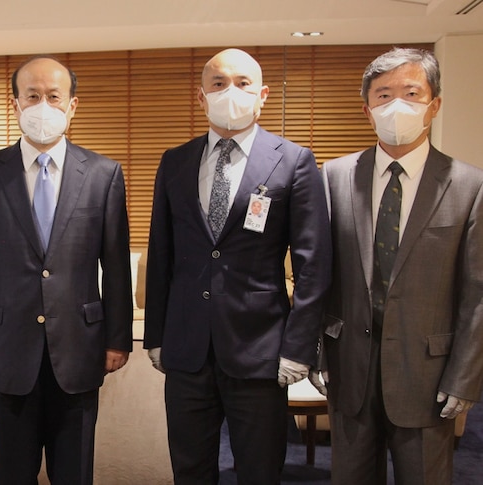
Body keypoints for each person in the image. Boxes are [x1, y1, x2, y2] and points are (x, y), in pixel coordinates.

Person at [144, 48, 332, 484]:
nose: (231, 92)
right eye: (219, 83)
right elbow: (162, 256)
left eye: (243, 83)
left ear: (262, 94)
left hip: (261, 352)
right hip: (188, 351)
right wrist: (157, 336)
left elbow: (313, 266)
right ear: (201, 95)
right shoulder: (175, 160)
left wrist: (299, 349)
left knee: (259, 470)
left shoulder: (293, 159)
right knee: (190, 469)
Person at [0, 55, 133, 484]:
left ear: (72, 105)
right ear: (15, 104)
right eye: (32, 96)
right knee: (13, 473)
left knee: (75, 473)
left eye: (54, 96)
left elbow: (117, 265)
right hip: (4, 348)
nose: (43, 105)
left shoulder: (105, 175)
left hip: (80, 348)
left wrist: (118, 337)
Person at [316, 47, 483, 485]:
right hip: (349, 366)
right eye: (383, 95)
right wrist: (318, 350)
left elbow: (477, 294)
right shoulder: (333, 177)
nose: (396, 105)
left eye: (411, 92)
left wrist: (464, 377)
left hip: (428, 373)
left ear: (435, 104)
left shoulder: (470, 185)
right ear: (367, 108)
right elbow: (318, 275)